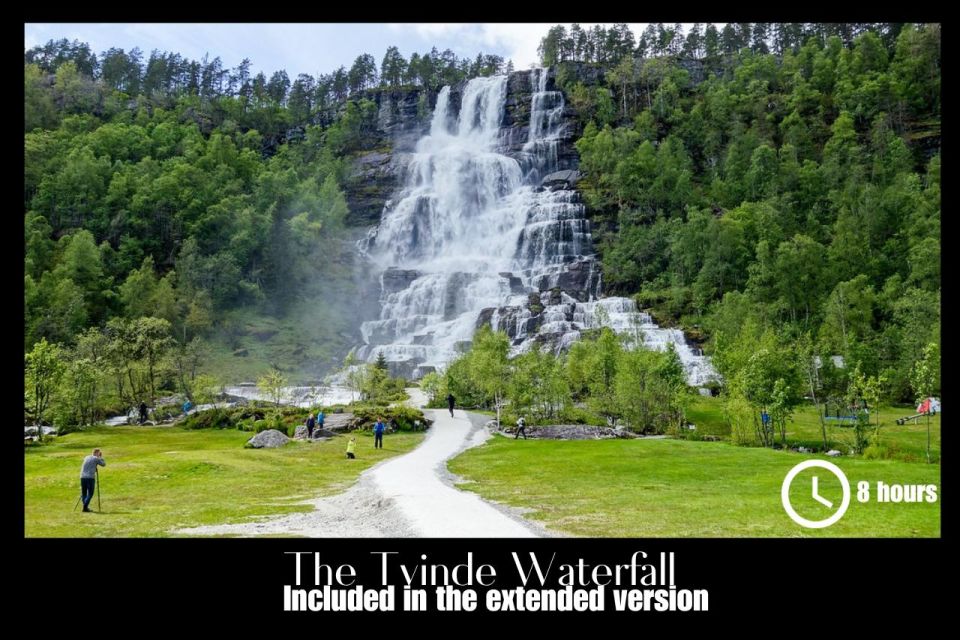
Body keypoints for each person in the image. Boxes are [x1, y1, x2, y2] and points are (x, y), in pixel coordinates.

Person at [79, 448, 106, 512]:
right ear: (97, 453)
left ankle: (85, 507)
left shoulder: (86, 457)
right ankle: (85, 507)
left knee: (84, 493)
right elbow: (103, 464)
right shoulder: (96, 458)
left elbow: (88, 464)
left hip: (82, 476)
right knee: (90, 493)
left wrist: (94, 467)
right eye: (99, 453)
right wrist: (100, 457)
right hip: (90, 477)